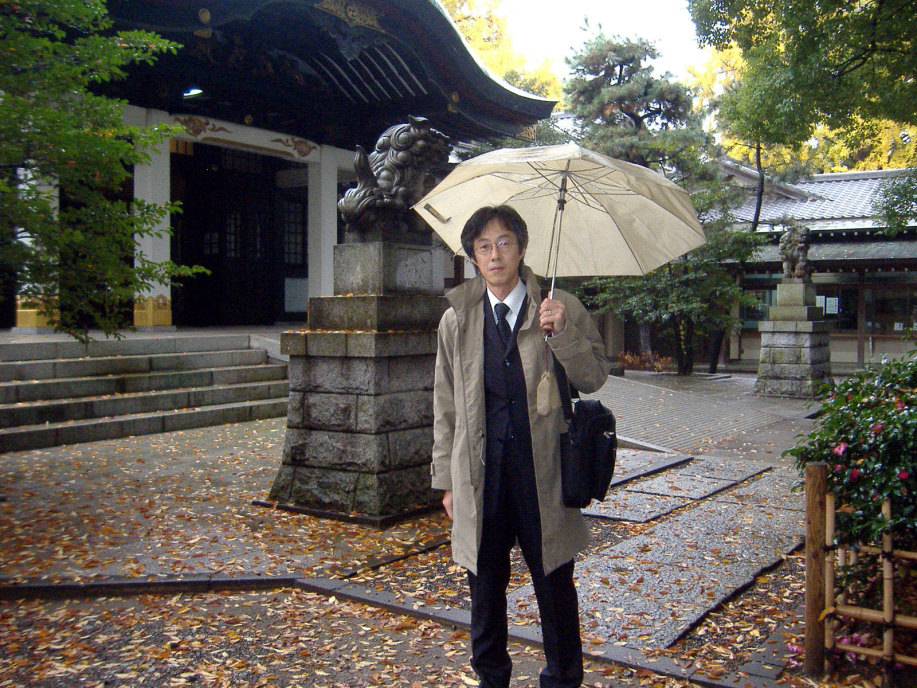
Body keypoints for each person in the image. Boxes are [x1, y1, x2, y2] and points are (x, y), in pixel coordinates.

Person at [431, 205, 610, 688]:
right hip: (481, 474)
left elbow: (594, 377)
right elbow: (444, 405)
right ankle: (492, 678)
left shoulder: (558, 306)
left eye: (505, 243)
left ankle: (562, 679)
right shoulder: (457, 320)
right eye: (484, 246)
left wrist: (563, 334)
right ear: (473, 256)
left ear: (522, 248)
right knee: (485, 588)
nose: (495, 255)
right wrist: (446, 481)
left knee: (554, 584)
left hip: (543, 473)